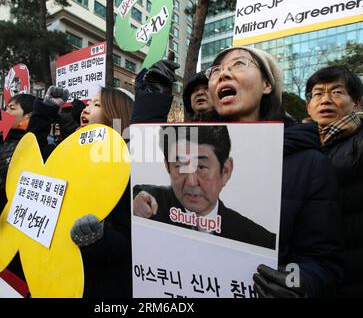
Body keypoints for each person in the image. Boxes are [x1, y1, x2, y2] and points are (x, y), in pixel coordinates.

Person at [132, 46, 343, 298]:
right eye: (216, 71)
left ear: (267, 84)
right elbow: (139, 161)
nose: (223, 74)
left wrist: (298, 282)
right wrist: (151, 102)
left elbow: (322, 261)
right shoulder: (149, 198)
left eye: (239, 64)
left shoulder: (310, 164)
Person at [31, 86, 133, 298]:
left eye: (96, 105)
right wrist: (47, 110)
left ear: (116, 116)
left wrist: (98, 237)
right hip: (53, 275)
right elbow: (33, 159)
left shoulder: (126, 165)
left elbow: (127, 241)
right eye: (87, 104)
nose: (85, 110)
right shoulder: (70, 156)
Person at [133, 125, 276, 249]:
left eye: (201, 167)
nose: (191, 182)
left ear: (225, 170)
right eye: (180, 167)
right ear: (167, 166)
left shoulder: (259, 241)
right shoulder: (147, 207)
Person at [305, 65, 363, 297]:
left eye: (337, 92)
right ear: (308, 105)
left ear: (356, 103)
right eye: (318, 94)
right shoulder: (298, 145)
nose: (326, 100)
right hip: (313, 275)